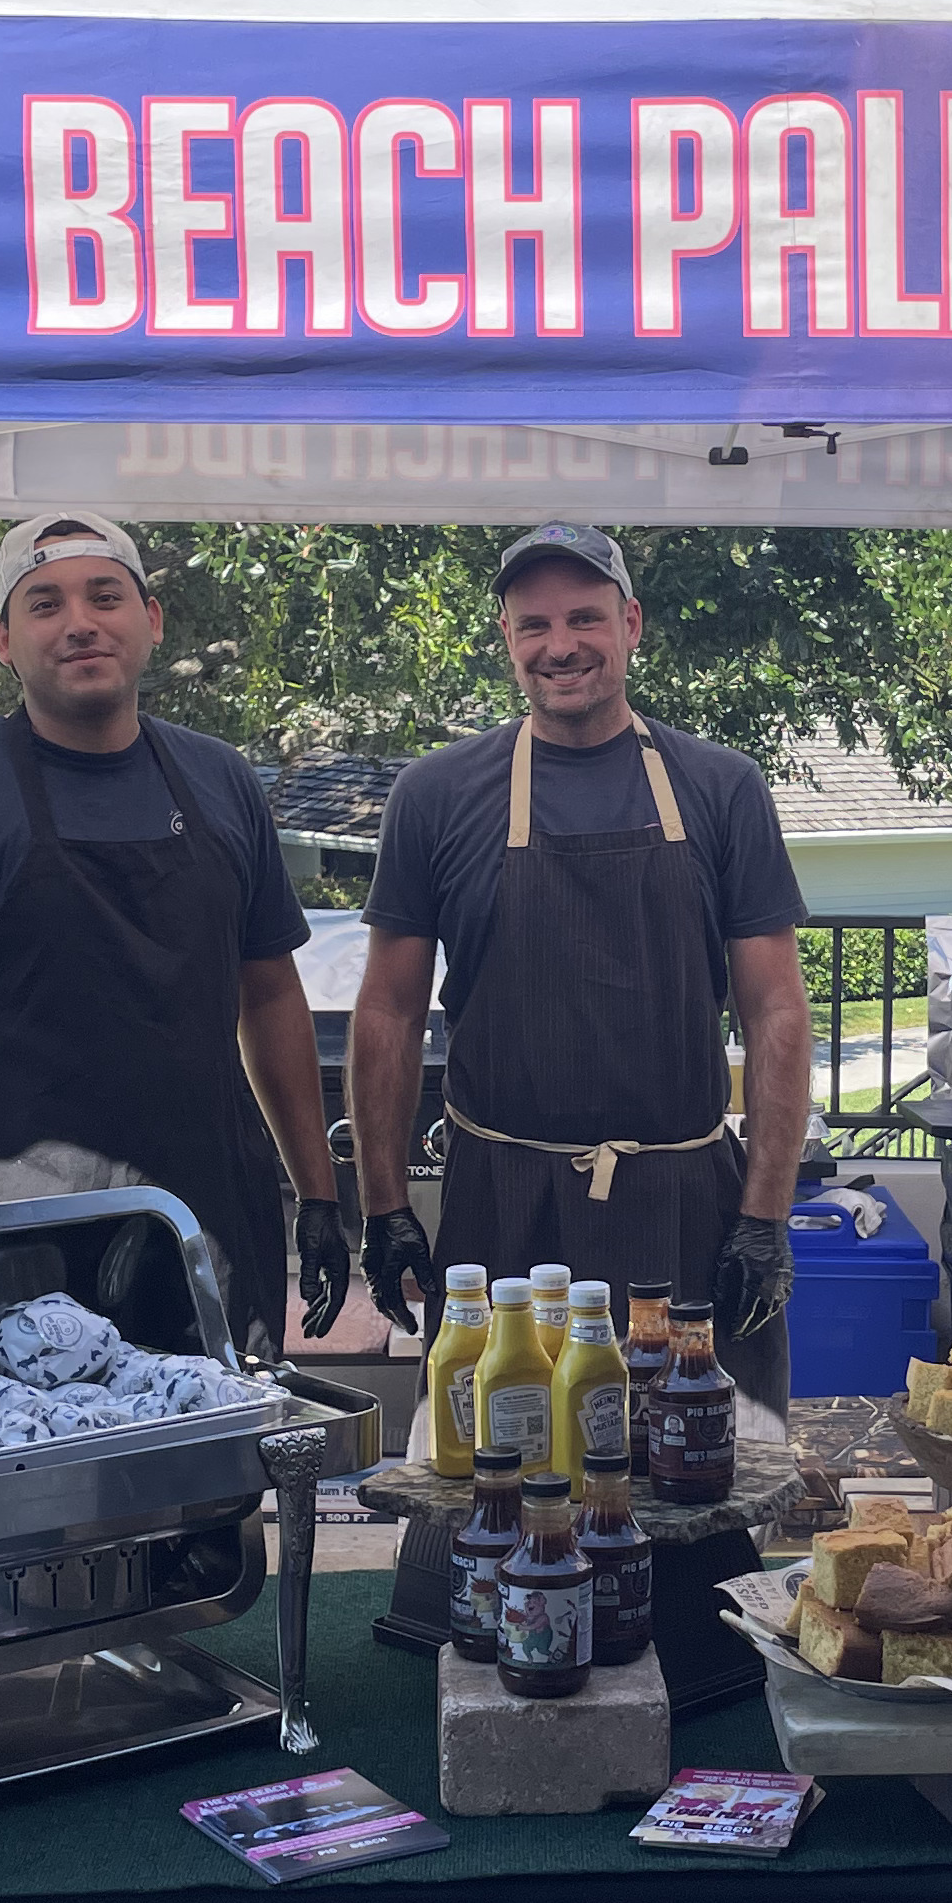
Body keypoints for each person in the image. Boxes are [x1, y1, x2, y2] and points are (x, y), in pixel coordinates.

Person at [0, 512, 350, 1350]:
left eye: (106, 595)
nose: (80, 622)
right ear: (2, 638)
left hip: (202, 1226)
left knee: (212, 1469)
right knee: (25, 1474)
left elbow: (272, 997)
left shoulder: (222, 782)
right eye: (44, 604)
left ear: (152, 620)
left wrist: (318, 1195)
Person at [349, 524, 812, 1405]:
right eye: (534, 625)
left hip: (684, 1207)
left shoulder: (722, 787)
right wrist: (383, 1206)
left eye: (585, 619)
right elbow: (388, 1014)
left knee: (696, 1485)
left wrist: (765, 1216)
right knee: (495, 1488)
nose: (560, 646)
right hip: (500, 1207)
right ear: (506, 638)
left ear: (631, 624)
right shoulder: (436, 795)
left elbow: (778, 1010)